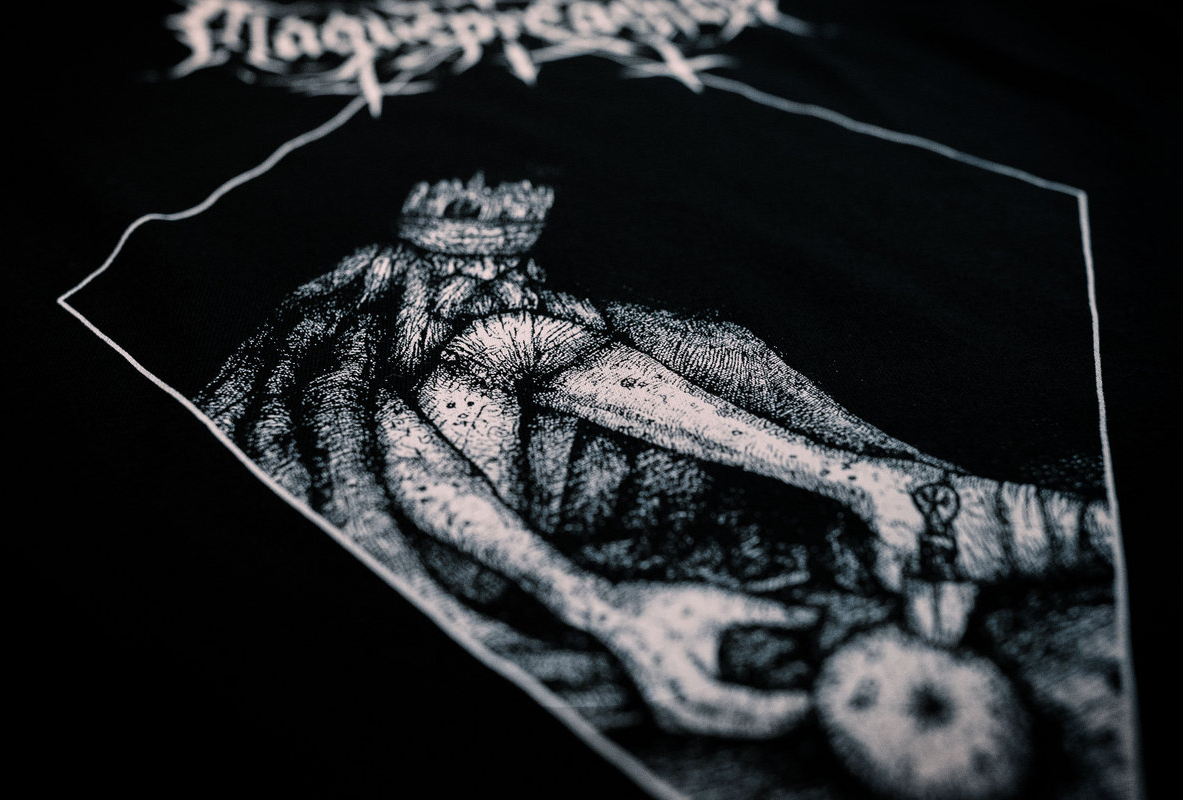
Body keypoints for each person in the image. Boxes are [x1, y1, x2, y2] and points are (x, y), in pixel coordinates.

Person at [196, 173, 1114, 739]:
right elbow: (398, 457)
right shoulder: (353, 377)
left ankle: (910, 498)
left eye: (506, 272)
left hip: (667, 560)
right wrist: (602, 608)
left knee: (703, 349)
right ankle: (895, 492)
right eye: (464, 275)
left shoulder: (572, 337)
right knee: (504, 343)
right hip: (491, 572)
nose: (493, 288)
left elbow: (715, 377)